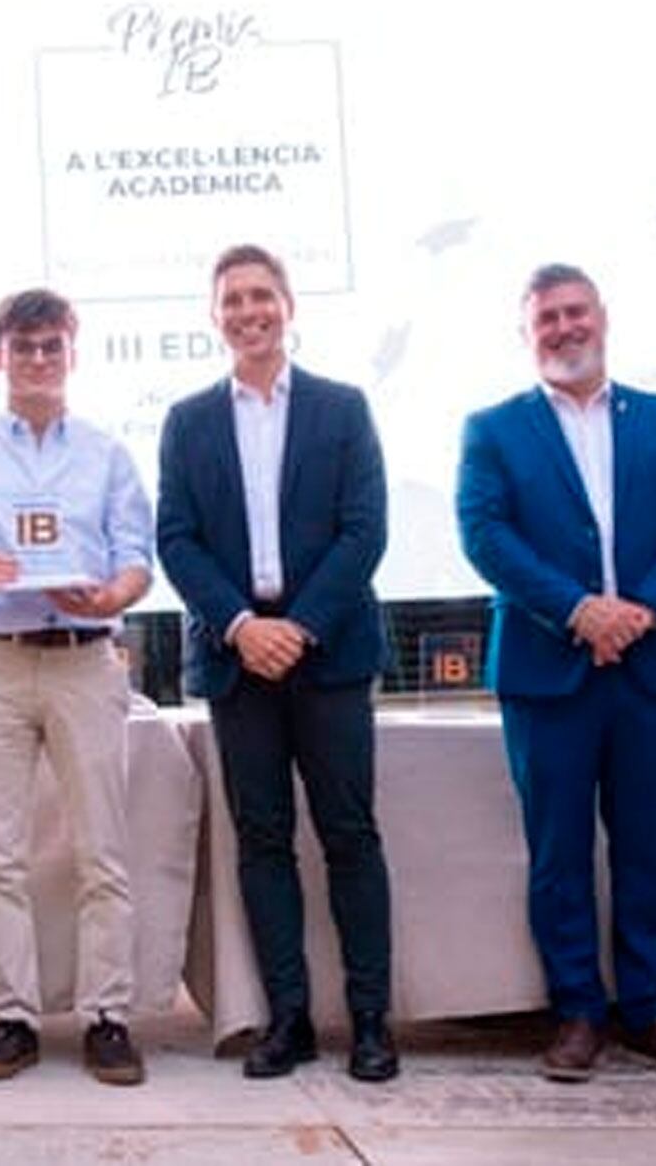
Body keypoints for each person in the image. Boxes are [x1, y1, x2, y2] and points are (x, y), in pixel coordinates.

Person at [455, 262, 656, 1083]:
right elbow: (485, 534)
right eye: (547, 318)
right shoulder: (493, 429)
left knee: (650, 848)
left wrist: (641, 609)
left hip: (652, 666)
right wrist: (580, 610)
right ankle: (578, 1012)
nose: (564, 328)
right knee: (558, 852)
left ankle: (652, 1011)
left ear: (602, 318)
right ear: (527, 333)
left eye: (575, 312)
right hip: (550, 671)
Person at [157, 244, 399, 1082]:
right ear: (215, 315)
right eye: (232, 299)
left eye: (262, 295)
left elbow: (364, 529)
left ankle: (370, 1021)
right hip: (237, 662)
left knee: (349, 837)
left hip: (326, 654)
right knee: (261, 842)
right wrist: (237, 624)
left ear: (288, 306)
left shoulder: (342, 407)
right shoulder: (188, 421)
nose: (249, 311)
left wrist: (296, 626)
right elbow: (176, 539)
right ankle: (287, 1020)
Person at [0, 288, 153, 1086]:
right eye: (25, 348)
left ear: (73, 354)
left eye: (53, 346)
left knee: (103, 850)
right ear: (0, 357)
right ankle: (11, 1016)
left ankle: (107, 1017)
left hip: (87, 657)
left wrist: (113, 596)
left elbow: (134, 560)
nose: (39, 360)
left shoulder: (108, 454)